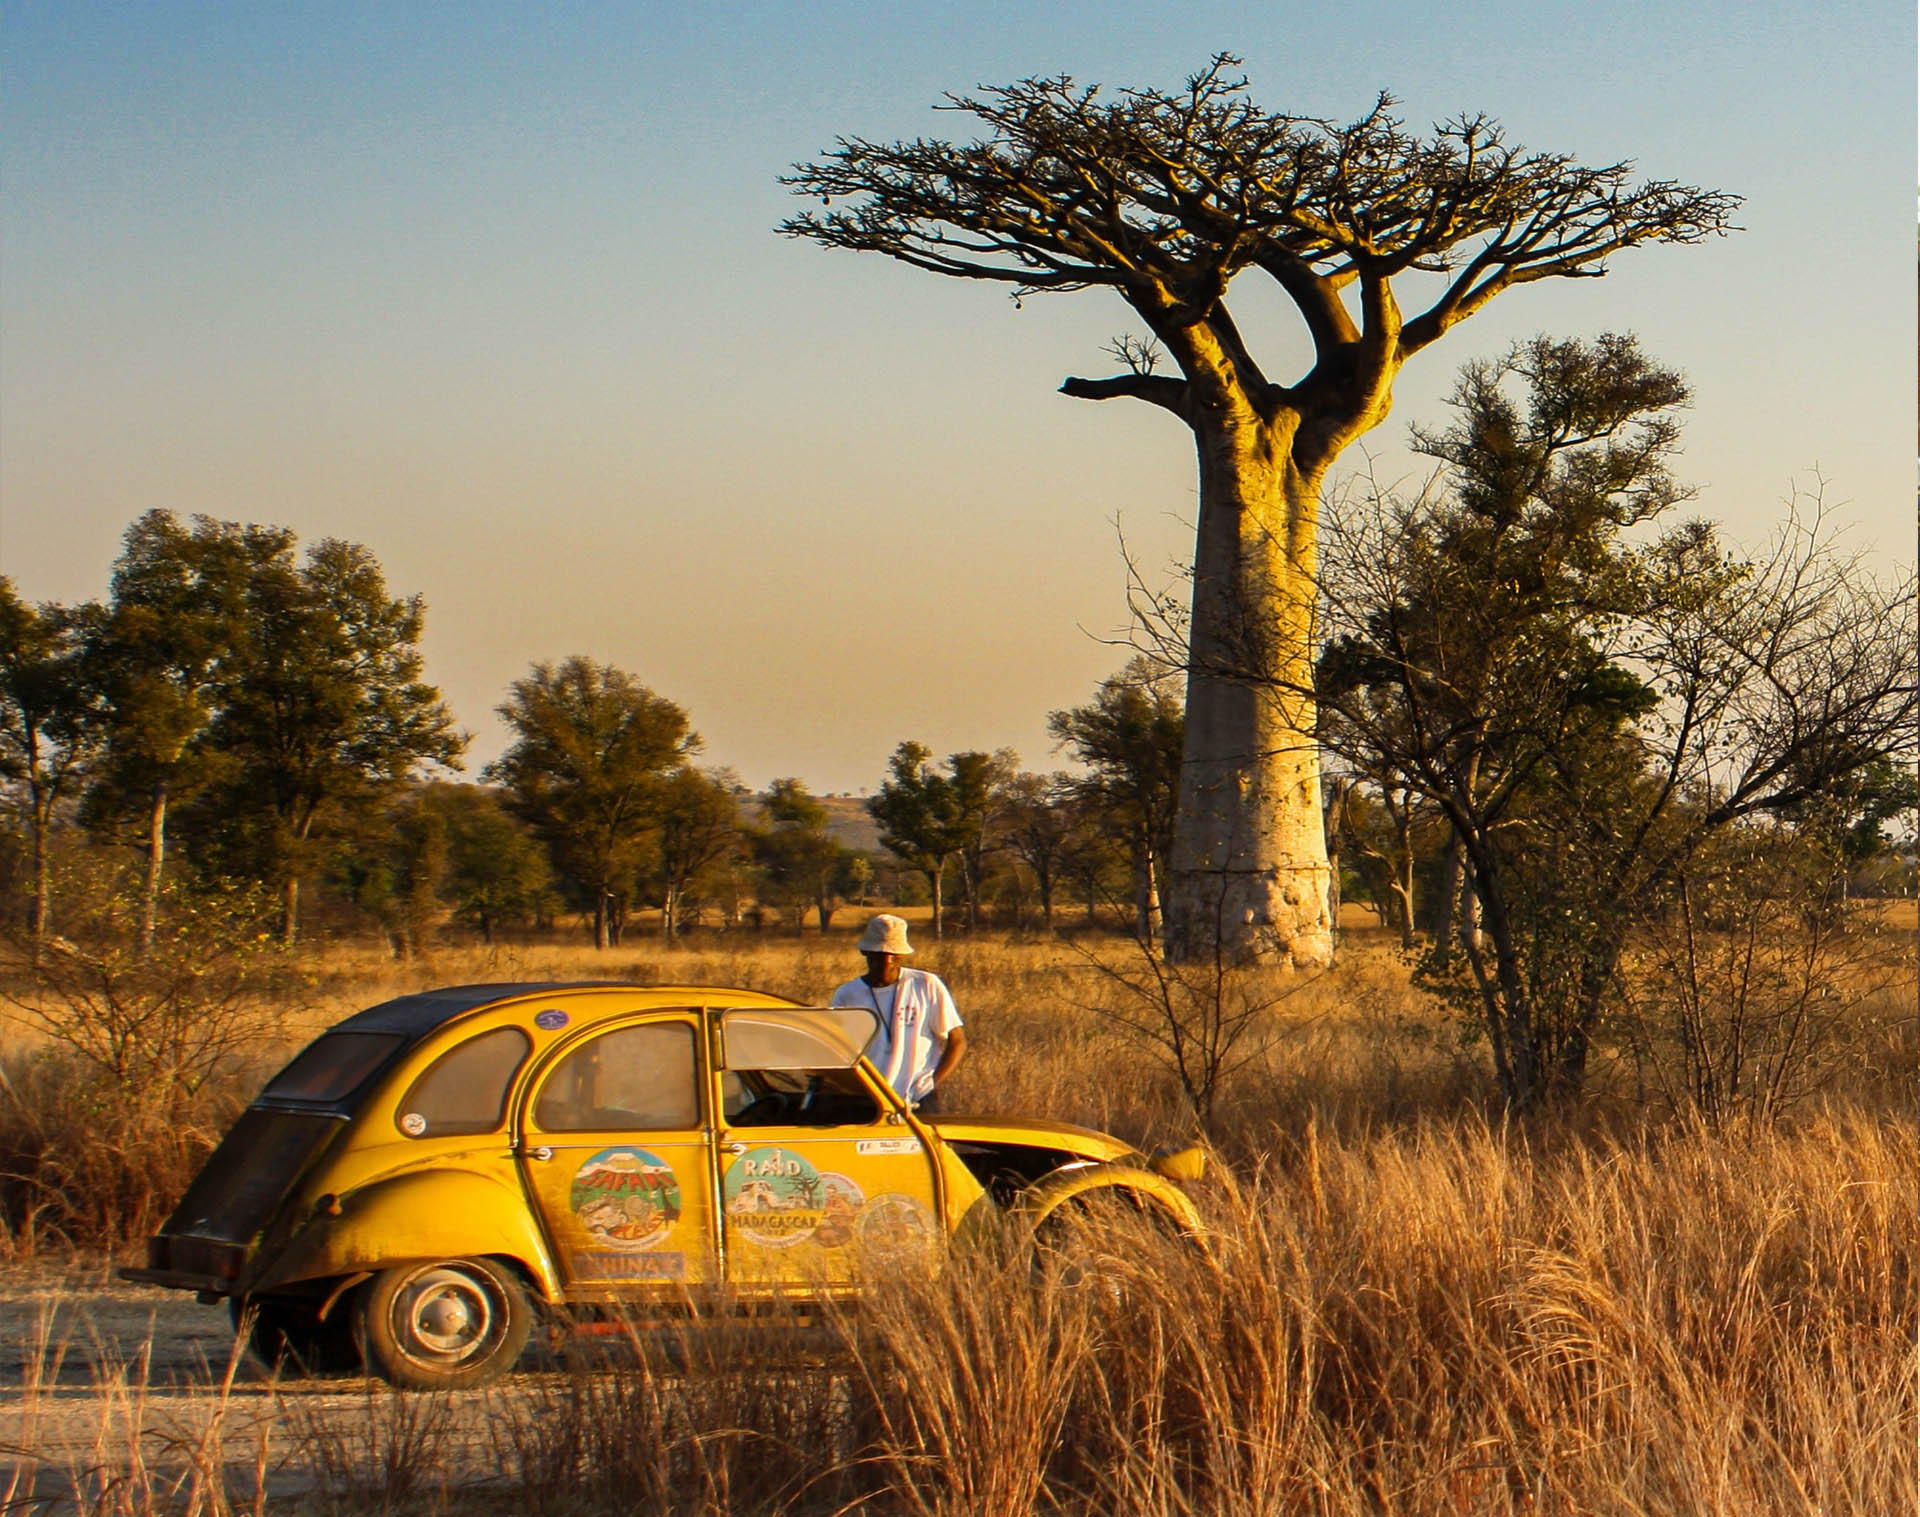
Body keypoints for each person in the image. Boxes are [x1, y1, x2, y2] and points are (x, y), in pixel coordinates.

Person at [831, 913, 966, 1113]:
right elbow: (837, 1052)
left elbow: (957, 1041)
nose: (886, 961)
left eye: (893, 954)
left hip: (919, 1099)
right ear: (866, 953)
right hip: (870, 1101)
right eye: (879, 954)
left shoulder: (926, 985)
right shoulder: (847, 995)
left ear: (902, 955)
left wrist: (931, 1083)